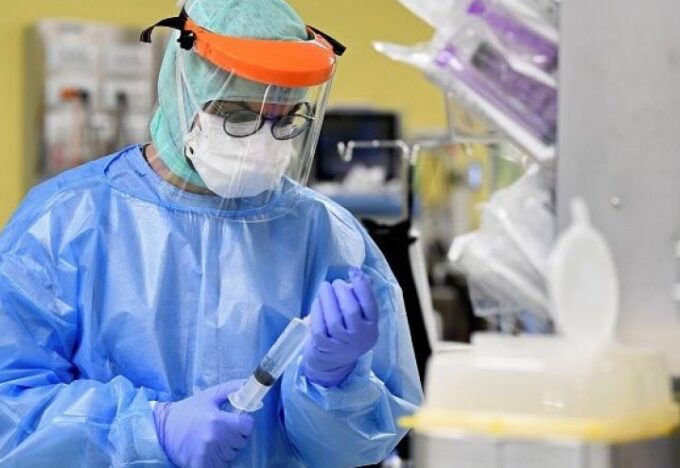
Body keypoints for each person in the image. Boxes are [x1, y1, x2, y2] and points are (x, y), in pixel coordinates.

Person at [0, 0, 423, 466]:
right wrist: (149, 428)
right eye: (238, 115)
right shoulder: (65, 222)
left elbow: (359, 447)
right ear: (183, 91)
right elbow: (10, 411)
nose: (262, 141)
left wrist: (334, 382)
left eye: (284, 120)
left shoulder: (327, 236)